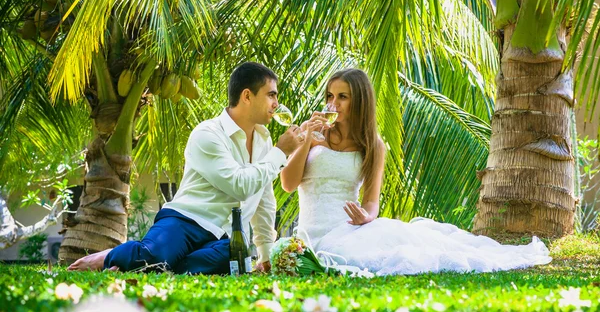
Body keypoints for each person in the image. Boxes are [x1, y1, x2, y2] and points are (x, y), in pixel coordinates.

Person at [280, 68, 551, 276]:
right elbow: (288, 184)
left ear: (359, 101)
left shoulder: (373, 145)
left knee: (405, 248)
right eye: (330, 96)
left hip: (346, 228)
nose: (333, 104)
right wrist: (306, 142)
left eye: (342, 97)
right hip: (309, 233)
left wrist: (367, 216)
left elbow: (371, 200)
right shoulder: (311, 131)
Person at [68, 62, 303, 274]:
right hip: (185, 221)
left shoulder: (264, 140)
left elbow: (263, 200)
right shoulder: (208, 134)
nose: (276, 104)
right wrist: (281, 152)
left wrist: (265, 255)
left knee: (234, 263)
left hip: (224, 238)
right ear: (247, 96)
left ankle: (153, 265)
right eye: (271, 95)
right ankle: (111, 256)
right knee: (155, 257)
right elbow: (239, 186)